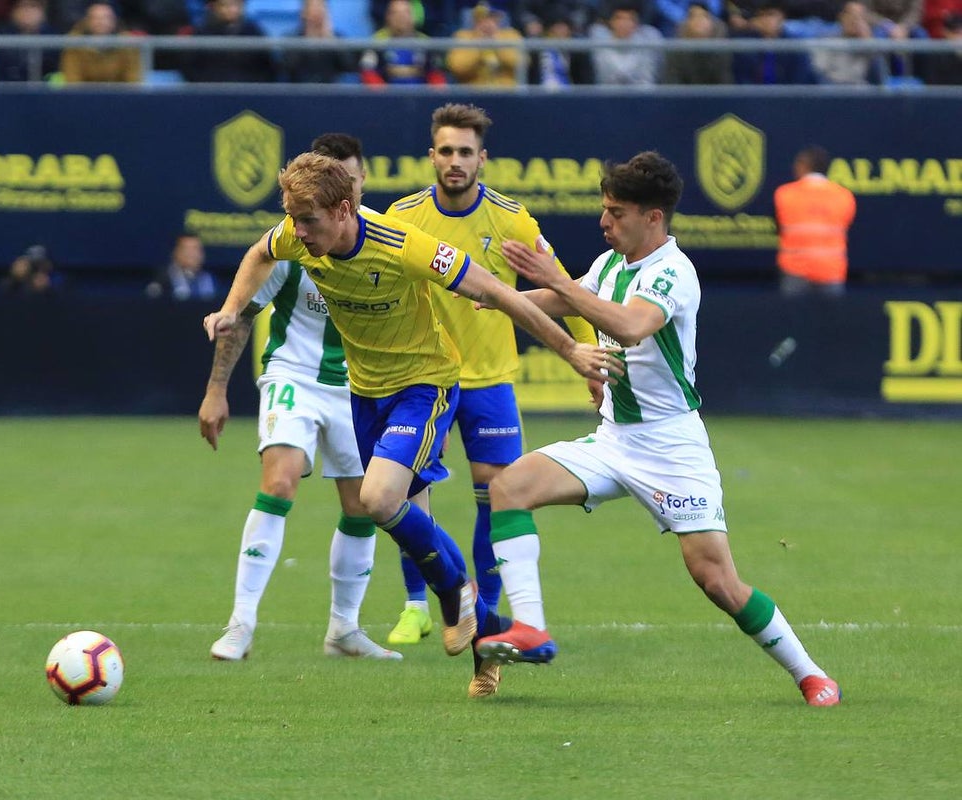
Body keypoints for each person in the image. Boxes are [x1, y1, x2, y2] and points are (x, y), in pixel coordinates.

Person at [204, 152, 618, 680]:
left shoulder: (401, 244)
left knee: (378, 499)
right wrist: (232, 310)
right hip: (364, 393)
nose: (297, 230)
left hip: (423, 386)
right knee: (392, 510)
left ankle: (455, 594)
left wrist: (569, 350)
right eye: (292, 217)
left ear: (344, 209)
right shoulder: (294, 233)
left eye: (307, 219)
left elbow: (495, 292)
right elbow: (260, 253)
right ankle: (484, 625)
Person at [472, 151, 841, 708]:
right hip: (613, 439)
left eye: (615, 213)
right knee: (509, 487)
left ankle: (812, 674)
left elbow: (629, 324)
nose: (604, 222)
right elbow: (556, 298)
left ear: (653, 218)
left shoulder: (673, 271)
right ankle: (532, 629)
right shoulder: (611, 264)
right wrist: (486, 295)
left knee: (717, 581)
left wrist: (553, 280)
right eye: (604, 210)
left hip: (672, 446)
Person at [383, 103, 599, 698]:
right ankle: (427, 603)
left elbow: (565, 288)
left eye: (465, 152)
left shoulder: (511, 220)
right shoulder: (402, 218)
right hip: (423, 378)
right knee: (400, 498)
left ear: (484, 158)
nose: (455, 162)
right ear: (432, 155)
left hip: (489, 381)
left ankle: (490, 646)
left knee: (496, 498)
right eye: (445, 151)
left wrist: (588, 360)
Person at [200, 134, 402, 662]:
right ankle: (240, 625)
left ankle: (343, 630)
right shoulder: (296, 236)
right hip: (295, 375)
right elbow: (243, 311)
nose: (345, 187)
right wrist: (216, 389)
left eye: (352, 179)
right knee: (281, 480)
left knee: (362, 505)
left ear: (360, 184)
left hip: (360, 387)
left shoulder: (386, 237)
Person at [773, 145, 857, 297]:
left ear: (804, 165)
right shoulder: (844, 196)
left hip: (795, 271)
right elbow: (846, 225)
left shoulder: (784, 194)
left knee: (792, 320)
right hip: (831, 271)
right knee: (830, 321)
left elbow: (778, 227)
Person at [182, 0, 276, 82]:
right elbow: (190, 68)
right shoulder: (201, 32)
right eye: (225, 5)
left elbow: (267, 67)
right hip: (210, 93)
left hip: (249, 94)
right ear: (214, 7)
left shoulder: (253, 31)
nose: (232, 9)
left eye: (237, 5)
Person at [360, 0, 448, 85]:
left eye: (406, 12)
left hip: (421, 96)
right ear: (387, 17)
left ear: (415, 16)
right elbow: (368, 73)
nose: (401, 17)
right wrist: (384, 95)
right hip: (387, 96)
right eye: (395, 13)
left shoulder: (426, 43)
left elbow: (437, 76)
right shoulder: (377, 42)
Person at [731, 1, 818, 84]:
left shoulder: (794, 46)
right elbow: (742, 79)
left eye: (771, 15)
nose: (766, 20)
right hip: (752, 97)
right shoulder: (745, 44)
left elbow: (799, 80)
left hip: (788, 97)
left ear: (782, 17)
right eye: (761, 15)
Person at [60, 1, 142, 84]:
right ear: (87, 21)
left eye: (106, 18)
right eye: (95, 18)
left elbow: (133, 81)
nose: (101, 22)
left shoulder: (127, 44)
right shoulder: (74, 43)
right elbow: (73, 82)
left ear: (114, 21)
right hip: (84, 95)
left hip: (119, 95)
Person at [446, 2, 526, 86]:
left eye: (492, 17)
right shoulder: (463, 36)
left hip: (507, 92)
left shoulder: (511, 35)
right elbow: (457, 67)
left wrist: (497, 42)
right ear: (474, 20)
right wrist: (479, 44)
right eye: (482, 18)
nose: (487, 23)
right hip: (473, 93)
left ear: (499, 19)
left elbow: (522, 64)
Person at [589, 0, 665, 85]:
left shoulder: (649, 38)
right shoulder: (597, 37)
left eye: (630, 19)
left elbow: (651, 78)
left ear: (637, 23)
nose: (624, 23)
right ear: (611, 21)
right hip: (605, 96)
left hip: (642, 96)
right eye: (619, 18)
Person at [281, 0, 358, 83]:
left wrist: (330, 38)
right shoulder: (291, 38)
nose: (318, 10)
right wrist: (308, 38)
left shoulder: (337, 38)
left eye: (322, 6)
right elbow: (288, 67)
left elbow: (349, 67)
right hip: (299, 92)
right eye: (313, 6)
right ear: (304, 12)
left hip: (330, 92)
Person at [811, 0, 886, 85]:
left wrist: (868, 41)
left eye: (860, 18)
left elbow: (879, 80)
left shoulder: (869, 45)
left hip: (861, 91)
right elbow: (819, 73)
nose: (855, 21)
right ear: (842, 17)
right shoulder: (827, 41)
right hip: (832, 91)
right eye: (851, 16)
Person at [661, 1, 734, 84]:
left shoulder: (722, 48)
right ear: (686, 22)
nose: (699, 21)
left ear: (712, 22)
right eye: (693, 16)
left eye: (704, 16)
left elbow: (724, 84)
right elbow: (672, 84)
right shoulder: (676, 50)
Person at [0, 0, 59, 82]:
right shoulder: (1, 37)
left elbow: (55, 75)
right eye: (21, 6)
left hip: (46, 93)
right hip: (9, 91)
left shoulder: (54, 38)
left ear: (42, 10)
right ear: (13, 12)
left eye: (32, 6)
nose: (26, 11)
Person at [145, 232, 222, 301]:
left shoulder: (211, 280)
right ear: (176, 252)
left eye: (196, 249)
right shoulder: (163, 279)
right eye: (187, 249)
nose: (192, 254)